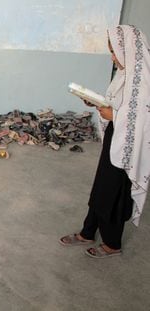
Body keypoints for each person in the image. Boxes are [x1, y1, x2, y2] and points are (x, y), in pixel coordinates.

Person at [60, 25, 150, 258]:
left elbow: (143, 117)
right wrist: (98, 104)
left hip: (129, 146)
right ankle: (88, 231)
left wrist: (114, 115)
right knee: (101, 186)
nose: (112, 56)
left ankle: (112, 243)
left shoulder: (144, 80)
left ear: (127, 49)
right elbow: (119, 106)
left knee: (113, 192)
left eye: (114, 51)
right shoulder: (124, 74)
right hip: (115, 135)